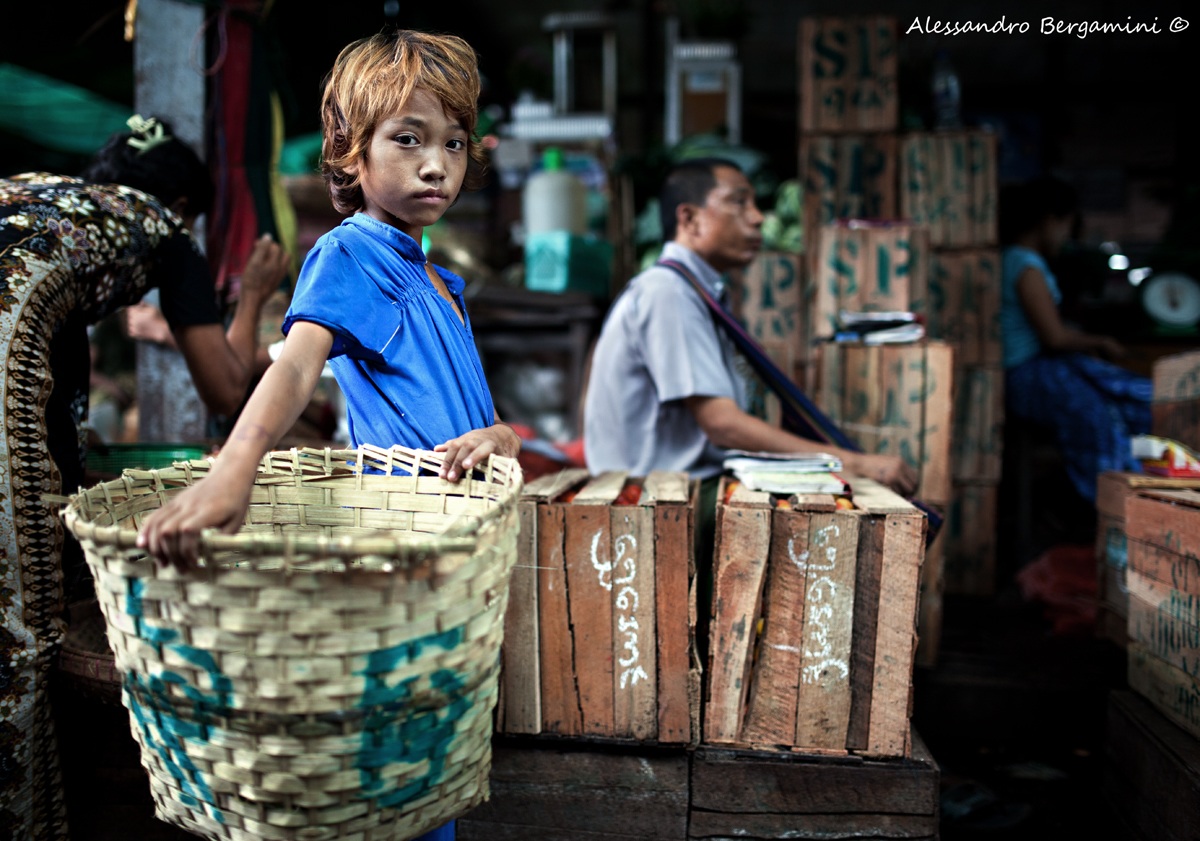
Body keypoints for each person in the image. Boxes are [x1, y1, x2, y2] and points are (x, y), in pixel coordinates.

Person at [136, 30, 520, 841]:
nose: (435, 165)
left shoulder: (438, 279)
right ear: (350, 152)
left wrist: (504, 437)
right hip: (400, 564)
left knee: (428, 780)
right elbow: (293, 366)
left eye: (453, 143)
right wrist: (234, 469)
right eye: (407, 139)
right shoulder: (349, 254)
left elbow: (472, 414)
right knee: (388, 784)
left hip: (456, 564)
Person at [0, 117, 288, 839]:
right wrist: (252, 295)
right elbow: (226, 391)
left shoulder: (34, 196)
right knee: (18, 633)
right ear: (184, 204)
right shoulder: (163, 228)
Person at [583, 157, 918, 495]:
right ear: (690, 218)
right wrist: (854, 462)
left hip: (680, 486)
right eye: (738, 202)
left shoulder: (693, 291)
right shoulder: (667, 291)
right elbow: (722, 424)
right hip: (651, 497)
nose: (757, 217)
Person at [1000, 175, 1151, 504]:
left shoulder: (1015, 260)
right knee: (1099, 417)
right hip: (1026, 375)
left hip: (1034, 370)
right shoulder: (1025, 266)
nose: (1067, 236)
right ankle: (1114, 504)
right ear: (1050, 221)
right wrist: (1101, 342)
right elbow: (1054, 337)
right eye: (1067, 226)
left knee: (1129, 396)